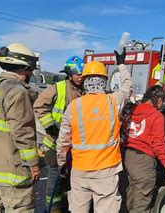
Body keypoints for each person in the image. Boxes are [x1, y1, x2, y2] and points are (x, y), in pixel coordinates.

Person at [56, 49, 131, 212]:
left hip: (80, 170)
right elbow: (127, 87)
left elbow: (63, 142)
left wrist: (62, 164)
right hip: (106, 171)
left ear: (84, 82)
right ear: (104, 81)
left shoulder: (73, 106)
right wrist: (122, 64)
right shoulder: (114, 101)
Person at [0, 43, 41, 212]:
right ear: (24, 68)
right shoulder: (18, 92)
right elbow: (22, 132)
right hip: (11, 172)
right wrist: (34, 164)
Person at [33, 56, 84, 212]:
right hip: (54, 144)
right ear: (69, 73)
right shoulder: (59, 88)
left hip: (74, 146)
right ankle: (53, 208)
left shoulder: (85, 91)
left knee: (68, 180)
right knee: (55, 178)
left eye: (82, 73)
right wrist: (50, 127)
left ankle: (64, 206)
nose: (80, 76)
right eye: (77, 73)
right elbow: (39, 105)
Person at [123, 85, 165, 212]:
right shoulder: (157, 116)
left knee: (130, 199)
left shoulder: (133, 110)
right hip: (143, 161)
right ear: (159, 100)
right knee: (141, 206)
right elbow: (157, 144)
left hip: (127, 157)